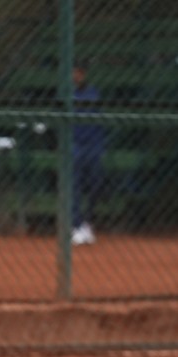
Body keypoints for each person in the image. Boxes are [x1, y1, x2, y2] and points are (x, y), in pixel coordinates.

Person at [71, 62, 105, 245]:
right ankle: (76, 226)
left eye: (79, 73)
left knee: (95, 184)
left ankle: (87, 223)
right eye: (74, 73)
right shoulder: (67, 94)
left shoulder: (93, 93)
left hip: (93, 144)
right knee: (74, 186)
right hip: (74, 144)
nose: (77, 76)